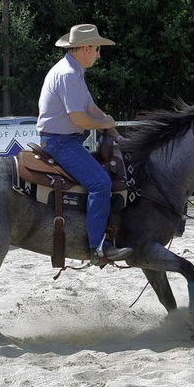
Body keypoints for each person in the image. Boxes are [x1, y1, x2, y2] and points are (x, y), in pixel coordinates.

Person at [37, 23, 132, 262]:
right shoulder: (69, 74)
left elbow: (91, 108)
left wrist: (115, 134)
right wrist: (104, 125)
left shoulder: (74, 71)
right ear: (86, 48)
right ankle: (98, 247)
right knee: (100, 183)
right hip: (61, 142)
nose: (99, 55)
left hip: (64, 140)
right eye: (98, 49)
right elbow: (78, 118)